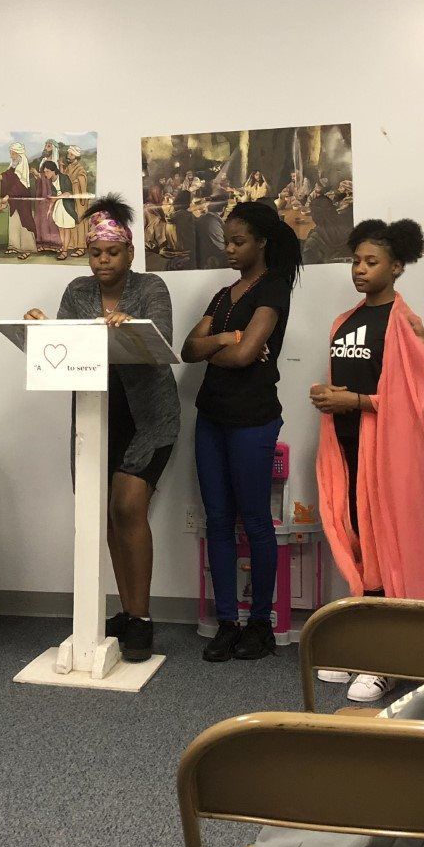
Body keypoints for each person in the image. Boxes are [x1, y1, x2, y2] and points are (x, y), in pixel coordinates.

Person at [24, 195, 179, 661]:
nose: (103, 260)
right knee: (104, 511)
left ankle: (142, 618)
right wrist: (44, 327)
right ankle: (126, 612)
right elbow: (68, 346)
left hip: (149, 417)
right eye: (95, 253)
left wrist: (129, 325)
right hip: (95, 414)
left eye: (112, 253)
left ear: (130, 253)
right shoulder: (77, 290)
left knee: (129, 508)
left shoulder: (151, 287)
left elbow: (163, 340)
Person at [311, 219, 424, 702]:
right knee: (356, 544)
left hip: (388, 455)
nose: (359, 270)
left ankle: (388, 661)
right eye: (355, 261)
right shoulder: (343, 321)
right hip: (345, 448)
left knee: (387, 550)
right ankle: (366, 645)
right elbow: (351, 380)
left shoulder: (406, 324)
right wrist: (333, 397)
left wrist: (358, 402)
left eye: (371, 262)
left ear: (397, 266)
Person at [183, 202, 302, 662]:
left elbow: (245, 355)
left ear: (261, 242)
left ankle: (260, 625)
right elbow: (189, 348)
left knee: (254, 521)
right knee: (217, 519)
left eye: (238, 241)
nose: (229, 249)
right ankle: (227, 621)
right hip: (211, 416)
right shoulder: (223, 295)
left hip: (253, 418)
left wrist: (225, 347)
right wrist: (221, 341)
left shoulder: (274, 289)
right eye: (226, 241)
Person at [0, 143, 38, 258]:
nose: (11, 156)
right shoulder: (13, 167)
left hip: (22, 201)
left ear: (19, 154)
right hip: (13, 200)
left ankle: (27, 248)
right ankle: (13, 246)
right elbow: (6, 176)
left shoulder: (22, 168)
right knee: (14, 222)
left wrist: (7, 196)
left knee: (24, 223)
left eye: (13, 153)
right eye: (10, 153)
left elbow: (19, 185)